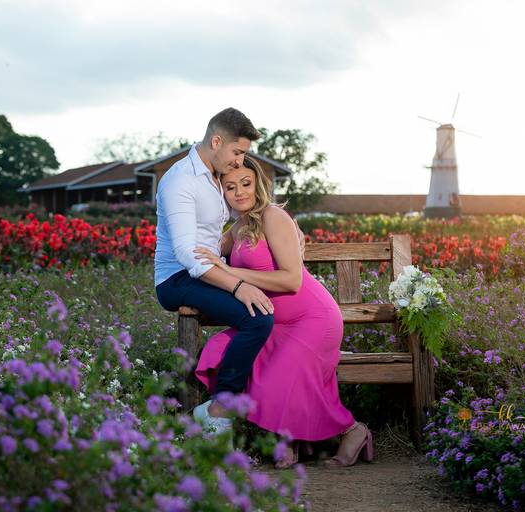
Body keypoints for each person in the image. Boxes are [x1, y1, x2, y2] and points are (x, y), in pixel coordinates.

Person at [193, 155, 373, 469]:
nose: (239, 192)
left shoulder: (273, 216)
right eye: (230, 187)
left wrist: (230, 271)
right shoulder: (238, 227)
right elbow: (201, 251)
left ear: (259, 184)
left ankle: (350, 430)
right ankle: (283, 437)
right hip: (274, 322)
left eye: (246, 183)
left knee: (277, 378)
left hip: (312, 319)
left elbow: (291, 281)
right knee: (221, 349)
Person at [154, 108, 277, 437]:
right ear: (217, 141)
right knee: (257, 317)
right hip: (177, 279)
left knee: (269, 309)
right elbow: (186, 253)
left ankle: (244, 406)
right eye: (237, 152)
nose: (240, 161)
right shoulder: (180, 181)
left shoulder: (216, 176)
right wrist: (238, 286)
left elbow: (232, 222)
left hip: (207, 269)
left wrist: (286, 230)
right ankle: (219, 410)